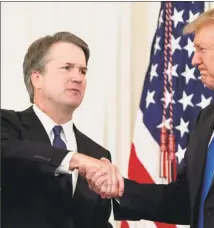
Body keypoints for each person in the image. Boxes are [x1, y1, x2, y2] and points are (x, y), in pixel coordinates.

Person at [81, 3, 214, 228]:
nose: (194, 60)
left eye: (202, 49)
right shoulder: (208, 117)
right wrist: (121, 188)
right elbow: (185, 200)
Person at [1, 31, 123, 228]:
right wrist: (73, 159)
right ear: (36, 77)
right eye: (66, 68)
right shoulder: (7, 125)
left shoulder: (97, 154)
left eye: (83, 71)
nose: (77, 78)